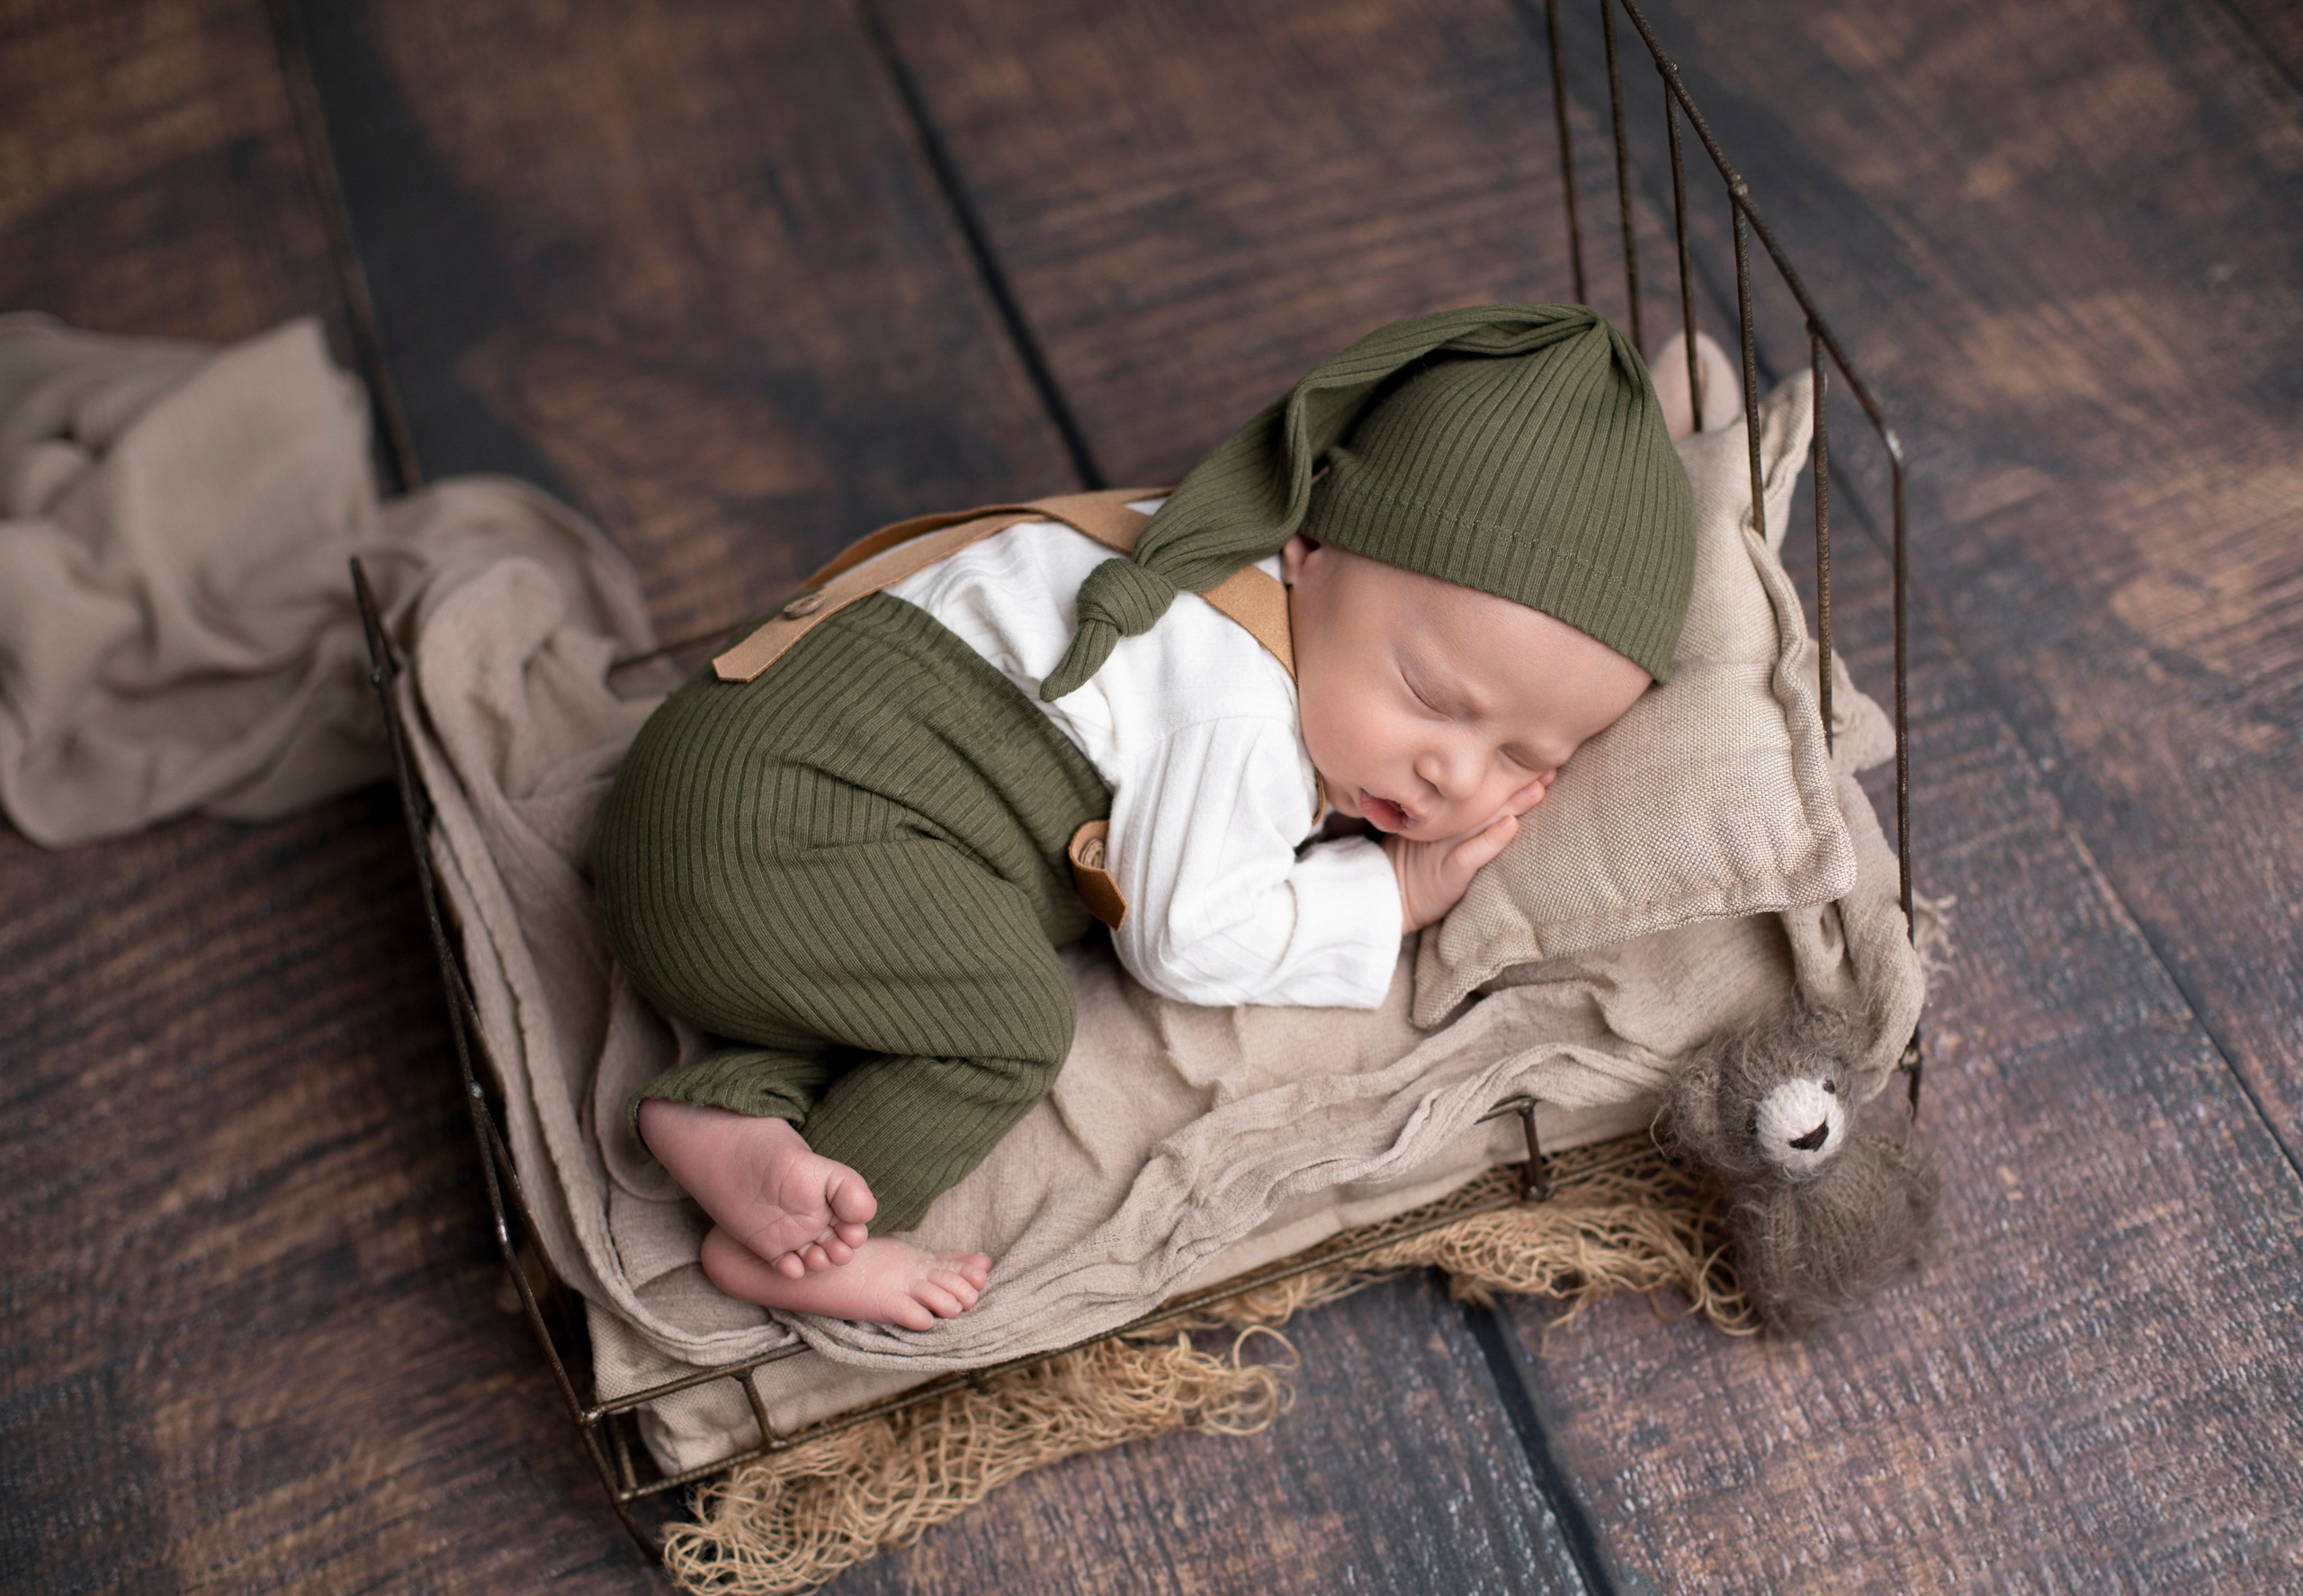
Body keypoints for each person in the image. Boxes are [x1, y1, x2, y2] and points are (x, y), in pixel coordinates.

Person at [590, 304, 1698, 1328]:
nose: (1453, 774)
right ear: (1312, 549)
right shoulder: (1236, 699)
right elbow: (1183, 937)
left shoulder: (1207, 542)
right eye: (1431, 698)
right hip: (762, 840)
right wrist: (1391, 892)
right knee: (1005, 1023)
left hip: (709, 793)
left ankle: (731, 1115)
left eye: (1522, 756)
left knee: (911, 967)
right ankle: (811, 1237)